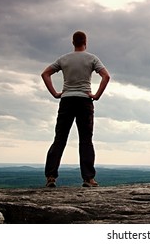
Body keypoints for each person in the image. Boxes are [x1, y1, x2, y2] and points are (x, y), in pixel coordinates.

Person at [41, 31, 110, 187]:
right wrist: (97, 95)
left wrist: (55, 93)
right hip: (85, 101)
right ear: (85, 42)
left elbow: (45, 74)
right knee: (86, 140)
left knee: (60, 138)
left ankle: (51, 177)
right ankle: (88, 178)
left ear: (73, 42)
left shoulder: (64, 59)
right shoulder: (92, 58)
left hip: (66, 100)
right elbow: (106, 76)